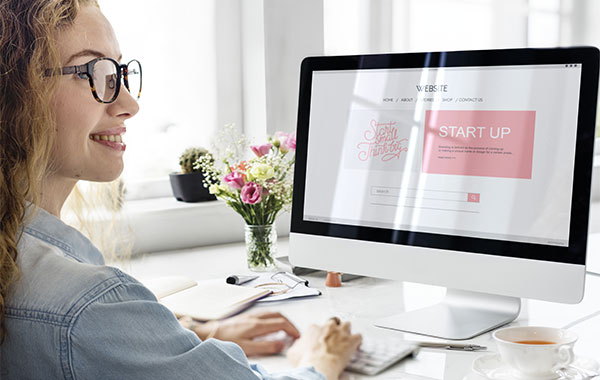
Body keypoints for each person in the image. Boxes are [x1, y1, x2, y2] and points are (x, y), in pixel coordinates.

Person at [0, 0, 362, 379]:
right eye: (95, 72)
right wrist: (321, 360)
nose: (129, 104)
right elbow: (86, 323)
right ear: (14, 93)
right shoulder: (88, 305)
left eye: (120, 73)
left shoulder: (26, 262)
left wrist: (191, 333)